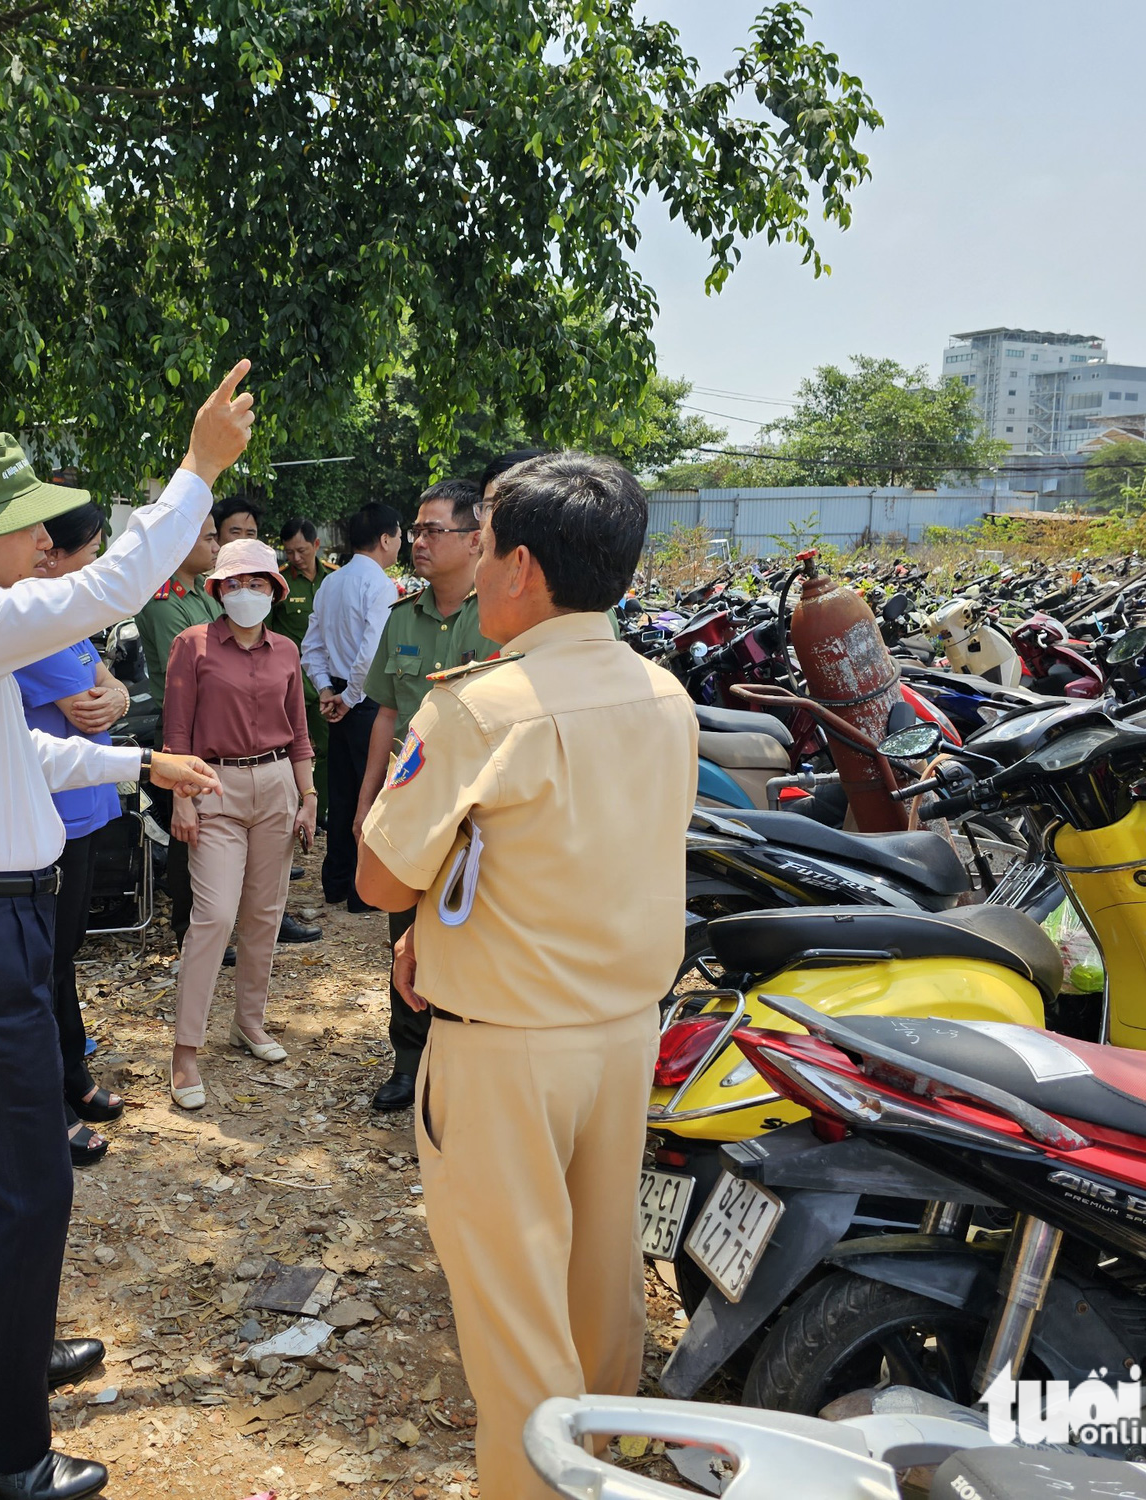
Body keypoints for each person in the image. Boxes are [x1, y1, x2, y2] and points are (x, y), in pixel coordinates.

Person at [0, 367, 250, 1500]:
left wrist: (135, 760)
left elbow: (9, 758)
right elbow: (114, 583)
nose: (39, 545)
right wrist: (197, 468)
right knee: (28, 1180)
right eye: (20, 528)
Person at [355, 451, 696, 1500]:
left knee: (512, 1313)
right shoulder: (662, 692)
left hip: (504, 1047)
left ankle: (543, 1486)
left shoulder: (476, 708)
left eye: (486, 541)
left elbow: (376, 876)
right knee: (602, 1285)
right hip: (621, 1029)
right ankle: (612, 1467)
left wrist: (426, 913)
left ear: (521, 570)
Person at [162, 539, 318, 1109]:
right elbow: (176, 732)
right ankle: (185, 1050)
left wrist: (308, 795)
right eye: (234, 582)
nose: (245, 592)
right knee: (215, 915)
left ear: (274, 590)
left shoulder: (287, 651)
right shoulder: (193, 644)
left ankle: (249, 1022)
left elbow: (299, 732)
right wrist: (182, 797)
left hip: (277, 782)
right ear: (218, 589)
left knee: (265, 913)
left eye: (256, 582)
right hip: (213, 785)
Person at [350, 478, 490, 1112]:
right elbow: (385, 714)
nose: (418, 541)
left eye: (435, 529)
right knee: (403, 928)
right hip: (412, 799)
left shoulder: (499, 617)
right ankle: (409, 1060)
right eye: (417, 528)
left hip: (479, 805)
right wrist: (365, 802)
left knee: (472, 927)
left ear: (474, 538)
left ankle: (468, 1061)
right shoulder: (401, 616)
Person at [16, 501, 133, 1166]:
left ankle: (73, 1078)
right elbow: (90, 711)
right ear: (50, 552)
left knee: (63, 957)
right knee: (45, 964)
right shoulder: (30, 620)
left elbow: (104, 687)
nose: (95, 562)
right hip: (50, 815)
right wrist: (104, 695)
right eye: (90, 549)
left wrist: (109, 691)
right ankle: (50, 1106)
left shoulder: (64, 617)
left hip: (80, 807)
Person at [300, 501, 402, 909]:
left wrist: (327, 690)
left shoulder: (332, 582)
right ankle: (362, 892)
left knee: (342, 793)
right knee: (369, 793)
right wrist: (349, 696)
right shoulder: (378, 585)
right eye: (398, 536)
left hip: (340, 698)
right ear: (383, 539)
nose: (401, 544)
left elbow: (312, 645)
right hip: (365, 700)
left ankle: (336, 881)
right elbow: (371, 651)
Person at [135, 512, 221, 942]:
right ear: (182, 543)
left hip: (214, 725)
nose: (215, 546)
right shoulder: (166, 600)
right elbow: (192, 671)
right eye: (208, 538)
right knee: (190, 834)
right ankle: (189, 928)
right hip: (185, 728)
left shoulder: (203, 594)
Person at [270, 516, 336, 824]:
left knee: (325, 750)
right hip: (288, 682)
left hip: (325, 681)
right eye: (289, 552)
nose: (296, 558)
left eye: (302, 551)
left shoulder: (334, 580)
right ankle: (286, 812)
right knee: (284, 750)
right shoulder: (280, 584)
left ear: (316, 545)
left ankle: (320, 812)